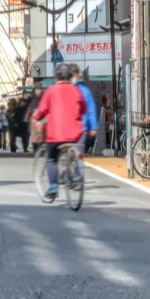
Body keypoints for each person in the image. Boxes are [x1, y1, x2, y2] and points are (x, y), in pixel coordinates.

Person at [32, 64, 88, 201]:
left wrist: (36, 118)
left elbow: (42, 111)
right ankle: (74, 172)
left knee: (52, 159)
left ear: (56, 76)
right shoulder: (76, 90)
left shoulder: (51, 90)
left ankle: (52, 186)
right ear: (69, 76)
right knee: (72, 148)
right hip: (75, 133)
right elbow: (83, 108)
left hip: (56, 134)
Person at [75, 70, 100, 155]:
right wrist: (93, 127)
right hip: (80, 127)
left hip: (81, 127)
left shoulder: (84, 91)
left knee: (77, 152)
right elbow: (91, 110)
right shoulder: (84, 91)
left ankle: (77, 164)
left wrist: (94, 126)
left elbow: (91, 109)